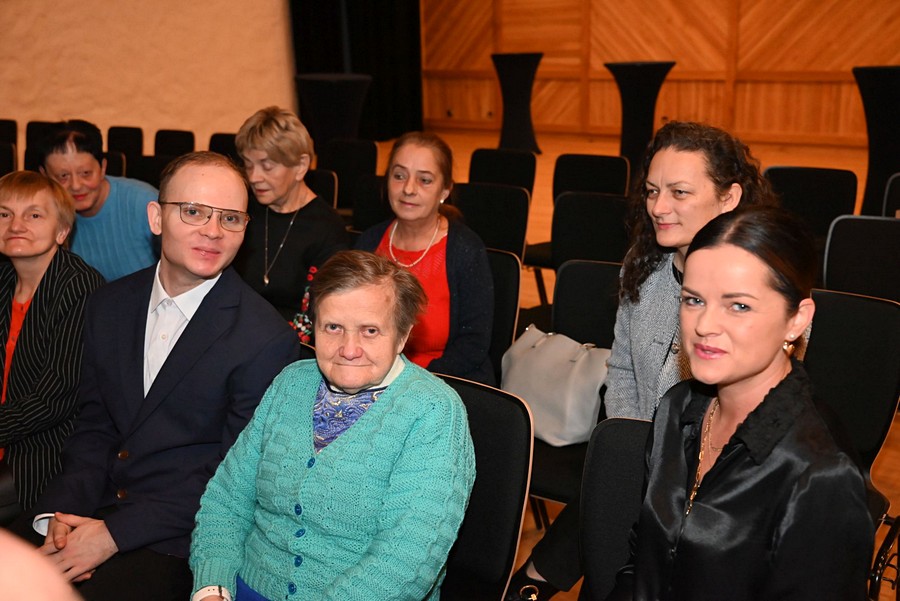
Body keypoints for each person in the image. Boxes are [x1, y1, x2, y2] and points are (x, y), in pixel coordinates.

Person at [508, 121, 777, 600]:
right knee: (618, 490)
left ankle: (537, 578)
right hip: (644, 459)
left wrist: (658, 467)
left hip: (723, 481)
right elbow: (623, 371)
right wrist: (637, 446)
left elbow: (760, 415)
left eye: (679, 192)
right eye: (652, 191)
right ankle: (541, 578)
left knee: (615, 516)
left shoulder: (765, 288)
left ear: (729, 197)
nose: (658, 207)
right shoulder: (646, 266)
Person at [15, 152, 300, 601]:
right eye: (194, 211)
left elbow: (233, 475)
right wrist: (61, 515)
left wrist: (113, 535)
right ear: (156, 217)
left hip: (179, 535)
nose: (213, 231)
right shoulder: (108, 304)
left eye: (230, 218)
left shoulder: (263, 337)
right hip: (92, 507)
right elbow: (94, 426)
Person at [606, 206, 873, 600]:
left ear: (797, 320)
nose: (704, 325)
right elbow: (641, 560)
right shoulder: (677, 409)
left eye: (739, 306)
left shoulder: (821, 476)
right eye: (693, 300)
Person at [190, 250, 476, 600]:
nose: (349, 349)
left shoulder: (433, 412)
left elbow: (406, 561)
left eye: (370, 331)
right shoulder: (291, 382)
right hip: (244, 586)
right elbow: (228, 498)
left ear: (402, 336)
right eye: (333, 328)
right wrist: (212, 585)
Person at [0, 171, 104, 520]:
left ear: (61, 231)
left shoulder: (79, 286)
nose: (16, 225)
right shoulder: (3, 278)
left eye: (34, 215)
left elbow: (53, 401)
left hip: (45, 451)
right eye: (4, 214)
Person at [356, 131, 494, 385]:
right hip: (370, 377)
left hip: (445, 381)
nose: (408, 189)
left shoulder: (465, 250)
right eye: (399, 176)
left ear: (445, 190)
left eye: (425, 180)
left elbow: (473, 344)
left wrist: (408, 383)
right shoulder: (369, 242)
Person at [231, 106, 349, 338]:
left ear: (301, 166)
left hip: (288, 343)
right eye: (248, 164)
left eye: (267, 166)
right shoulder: (243, 210)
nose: (253, 177)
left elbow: (317, 317)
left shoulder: (327, 228)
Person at [38, 119, 158, 281]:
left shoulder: (143, 202)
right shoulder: (40, 214)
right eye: (63, 176)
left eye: (86, 173)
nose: (76, 186)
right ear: (44, 175)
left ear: (102, 167)